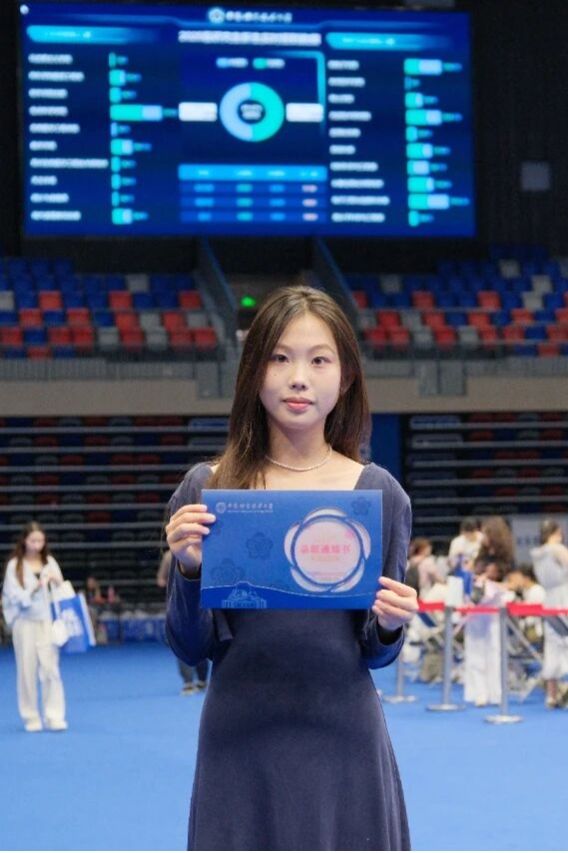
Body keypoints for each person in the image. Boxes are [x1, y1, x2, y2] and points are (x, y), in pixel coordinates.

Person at [165, 285, 418, 851]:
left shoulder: (379, 494)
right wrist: (187, 570)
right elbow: (189, 646)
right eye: (279, 358)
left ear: (345, 378)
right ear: (253, 372)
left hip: (344, 741)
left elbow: (375, 653)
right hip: (239, 742)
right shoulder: (208, 490)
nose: (299, 378)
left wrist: (390, 624)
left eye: (319, 360)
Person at [1, 522, 68, 732]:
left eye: (41, 541)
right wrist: (34, 588)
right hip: (25, 623)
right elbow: (13, 597)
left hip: (47, 621)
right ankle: (30, 716)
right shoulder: (15, 566)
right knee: (26, 670)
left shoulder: (50, 562)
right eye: (33, 541)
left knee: (51, 669)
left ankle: (54, 715)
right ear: (24, 541)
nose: (37, 545)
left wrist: (57, 581)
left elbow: (63, 592)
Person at [157, 549, 208, 694]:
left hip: (180, 607)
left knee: (184, 643)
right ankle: (202, 680)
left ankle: (188, 683)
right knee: (202, 640)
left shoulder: (169, 556)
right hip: (201, 605)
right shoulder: (205, 551)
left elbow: (160, 581)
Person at [531, 520, 568, 709]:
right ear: (557, 532)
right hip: (564, 598)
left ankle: (551, 696)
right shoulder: (558, 549)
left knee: (552, 646)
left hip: (549, 601)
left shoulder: (537, 553)